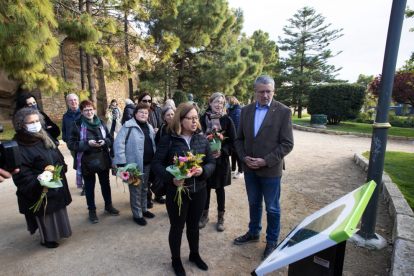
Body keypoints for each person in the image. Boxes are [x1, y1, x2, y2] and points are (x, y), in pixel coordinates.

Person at [151, 103, 216, 276]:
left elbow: (211, 162)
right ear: (181, 119)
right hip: (177, 193)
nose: (195, 122)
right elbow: (156, 164)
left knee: (193, 226)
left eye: (196, 118)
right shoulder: (168, 139)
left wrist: (203, 171)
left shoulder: (201, 138)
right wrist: (171, 179)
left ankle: (194, 255)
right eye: (191, 118)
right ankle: (176, 260)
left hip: (199, 190)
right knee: (177, 227)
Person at [234, 75, 294, 259]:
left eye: (268, 91)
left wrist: (265, 160)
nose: (265, 95)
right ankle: (254, 233)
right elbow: (239, 139)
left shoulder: (283, 112)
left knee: (272, 208)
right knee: (254, 203)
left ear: (273, 91)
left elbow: (287, 144)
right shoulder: (246, 110)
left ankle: (272, 241)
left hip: (270, 170)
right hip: (250, 169)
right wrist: (244, 157)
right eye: (261, 91)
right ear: (255, 92)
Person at [12, 108, 72, 248]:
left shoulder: (44, 135)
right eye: (31, 122)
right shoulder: (20, 145)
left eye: (37, 121)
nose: (35, 124)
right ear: (22, 125)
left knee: (58, 209)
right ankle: (48, 238)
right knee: (46, 212)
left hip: (55, 180)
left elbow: (56, 152)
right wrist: (39, 184)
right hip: (40, 184)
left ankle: (62, 232)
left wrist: (61, 166)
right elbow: (22, 173)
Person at [67, 100, 119, 224]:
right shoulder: (76, 124)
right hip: (87, 160)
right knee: (89, 187)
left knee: (105, 184)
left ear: (94, 109)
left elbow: (110, 139)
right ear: (81, 112)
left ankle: (108, 205)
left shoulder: (101, 122)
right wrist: (87, 144)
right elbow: (71, 144)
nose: (89, 112)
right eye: (86, 110)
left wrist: (104, 142)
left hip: (102, 158)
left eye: (91, 109)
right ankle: (92, 210)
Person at [113, 103, 156, 226]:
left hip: (147, 164)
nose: (143, 114)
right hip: (133, 166)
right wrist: (121, 162)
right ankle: (137, 214)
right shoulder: (128, 126)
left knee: (144, 188)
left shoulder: (149, 127)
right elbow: (118, 144)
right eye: (141, 112)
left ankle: (143, 209)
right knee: (135, 190)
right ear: (135, 113)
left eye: (146, 113)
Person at [199, 92, 236, 232]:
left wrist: (222, 152)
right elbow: (198, 138)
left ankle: (221, 217)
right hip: (206, 160)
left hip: (221, 161)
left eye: (221, 102)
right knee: (206, 187)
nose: (218, 105)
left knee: (220, 189)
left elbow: (233, 142)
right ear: (210, 103)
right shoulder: (202, 119)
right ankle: (204, 215)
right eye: (216, 102)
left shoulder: (227, 120)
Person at [138, 92, 162, 208]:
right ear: (139, 102)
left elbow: (160, 124)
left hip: (154, 146)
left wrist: (157, 130)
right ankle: (147, 198)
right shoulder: (136, 114)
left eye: (149, 100)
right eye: (144, 101)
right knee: (145, 178)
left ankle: (158, 193)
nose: (147, 103)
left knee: (155, 172)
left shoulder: (155, 111)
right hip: (143, 150)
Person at [152, 105, 176, 204]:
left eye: (172, 114)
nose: (170, 117)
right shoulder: (162, 128)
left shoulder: (179, 127)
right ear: (163, 117)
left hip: (175, 158)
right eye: (168, 115)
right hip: (164, 158)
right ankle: (158, 195)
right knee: (163, 178)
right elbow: (156, 140)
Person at [62, 93, 84, 195]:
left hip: (82, 143)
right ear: (67, 102)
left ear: (78, 101)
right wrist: (66, 139)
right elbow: (64, 129)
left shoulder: (83, 113)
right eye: (71, 100)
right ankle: (81, 181)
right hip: (72, 145)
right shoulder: (66, 116)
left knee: (83, 163)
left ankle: (85, 185)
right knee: (77, 164)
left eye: (75, 100)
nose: (73, 102)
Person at [225, 95, 244, 179]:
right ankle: (233, 169)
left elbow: (237, 125)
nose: (225, 103)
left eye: (226, 102)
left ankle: (240, 171)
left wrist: (236, 137)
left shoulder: (237, 111)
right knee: (233, 153)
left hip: (236, 137)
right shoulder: (231, 110)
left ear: (231, 101)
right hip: (232, 136)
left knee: (238, 154)